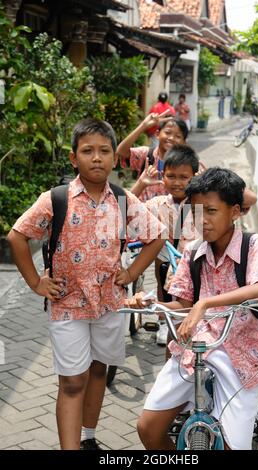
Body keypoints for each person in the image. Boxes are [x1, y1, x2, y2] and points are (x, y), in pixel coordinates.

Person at [7, 118, 166, 450]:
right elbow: (17, 236)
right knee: (71, 382)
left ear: (113, 157)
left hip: (110, 305)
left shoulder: (123, 200)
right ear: (73, 157)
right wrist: (36, 283)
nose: (97, 158)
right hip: (67, 306)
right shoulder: (57, 199)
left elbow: (156, 236)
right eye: (88, 151)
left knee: (97, 371)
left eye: (104, 151)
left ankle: (88, 436)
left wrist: (132, 272)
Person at [132, 167, 258, 450]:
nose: (203, 220)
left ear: (235, 211)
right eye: (196, 213)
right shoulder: (193, 251)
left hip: (240, 353)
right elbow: (183, 305)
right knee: (148, 429)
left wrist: (206, 303)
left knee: (235, 446)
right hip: (194, 350)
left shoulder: (254, 245)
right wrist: (150, 304)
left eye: (211, 211)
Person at [144, 145, 201, 345]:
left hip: (200, 274)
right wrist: (141, 184)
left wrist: (205, 183)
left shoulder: (204, 203)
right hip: (170, 271)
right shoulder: (156, 204)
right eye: (171, 176)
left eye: (184, 177)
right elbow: (124, 208)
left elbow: (248, 198)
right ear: (163, 176)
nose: (177, 183)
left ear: (195, 176)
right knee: (175, 335)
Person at [117, 114, 189, 202]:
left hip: (172, 214)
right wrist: (143, 125)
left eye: (178, 136)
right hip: (141, 213)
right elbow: (121, 151)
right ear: (157, 134)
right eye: (167, 133)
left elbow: (198, 208)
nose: (171, 138)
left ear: (184, 142)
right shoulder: (146, 155)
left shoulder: (188, 166)